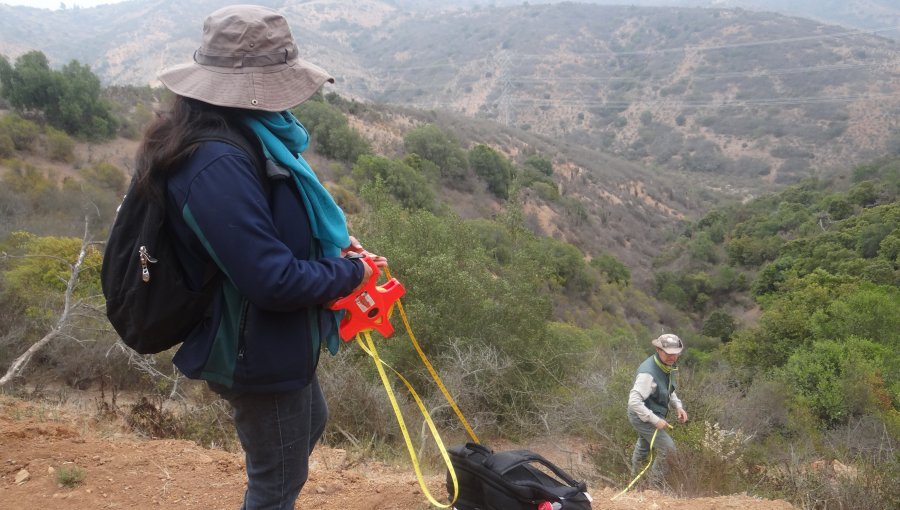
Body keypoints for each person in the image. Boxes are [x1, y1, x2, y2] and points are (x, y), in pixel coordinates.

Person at [136, 5, 385, 509]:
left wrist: (337, 252)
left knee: (306, 424)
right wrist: (351, 273)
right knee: (276, 482)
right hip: (250, 344)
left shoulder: (247, 135)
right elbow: (270, 279)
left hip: (271, 336)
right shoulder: (216, 161)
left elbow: (265, 233)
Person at [627, 333, 689, 488]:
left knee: (643, 447)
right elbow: (634, 402)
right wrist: (655, 420)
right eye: (668, 353)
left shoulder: (666, 366)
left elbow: (668, 388)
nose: (672, 357)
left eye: (675, 354)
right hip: (641, 415)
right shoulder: (648, 373)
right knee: (668, 450)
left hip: (651, 412)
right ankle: (654, 488)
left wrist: (678, 406)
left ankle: (636, 485)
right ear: (658, 349)